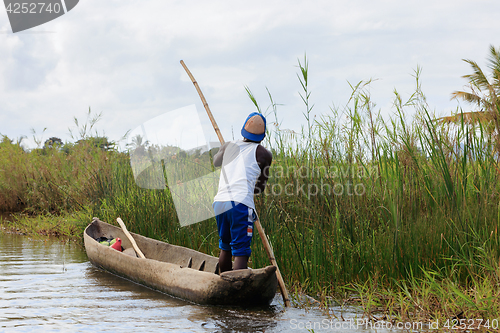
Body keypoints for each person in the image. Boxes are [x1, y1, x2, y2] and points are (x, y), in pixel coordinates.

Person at [212, 112, 272, 273]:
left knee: (226, 247)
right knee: (240, 252)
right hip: (240, 205)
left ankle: (224, 283)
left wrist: (223, 149)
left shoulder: (229, 146)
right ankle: (237, 288)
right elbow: (259, 188)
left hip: (219, 203)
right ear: (262, 136)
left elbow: (216, 162)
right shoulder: (264, 154)